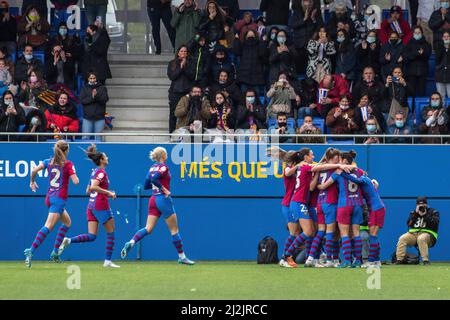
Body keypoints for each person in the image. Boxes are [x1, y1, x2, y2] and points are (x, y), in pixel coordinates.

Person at [121, 147, 195, 265]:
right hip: (162, 199)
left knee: (148, 228)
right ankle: (182, 257)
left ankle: (131, 242)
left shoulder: (152, 167)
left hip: (153, 199)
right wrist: (163, 188)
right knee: (174, 230)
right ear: (163, 156)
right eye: (166, 154)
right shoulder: (164, 167)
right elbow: (155, 179)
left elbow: (146, 185)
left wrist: (157, 186)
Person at [283, 148, 354, 268]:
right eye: (312, 155)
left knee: (311, 232)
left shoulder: (304, 166)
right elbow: (320, 168)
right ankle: (288, 254)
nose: (313, 157)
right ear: (305, 157)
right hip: (299, 202)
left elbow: (318, 166)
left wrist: (326, 161)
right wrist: (338, 165)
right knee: (308, 231)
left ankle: (310, 258)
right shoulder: (305, 167)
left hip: (300, 202)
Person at [58, 144, 120, 268]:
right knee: (111, 232)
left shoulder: (94, 172)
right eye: (105, 157)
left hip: (91, 206)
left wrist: (101, 191)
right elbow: (93, 187)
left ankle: (68, 240)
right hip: (101, 205)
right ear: (101, 160)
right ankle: (107, 261)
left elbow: (88, 190)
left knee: (92, 236)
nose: (107, 158)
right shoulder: (101, 173)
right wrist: (109, 193)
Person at [24, 140, 79, 268]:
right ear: (65, 151)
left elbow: (33, 171)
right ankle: (30, 251)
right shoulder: (68, 164)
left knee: (67, 222)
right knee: (48, 226)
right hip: (59, 199)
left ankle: (55, 253)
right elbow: (76, 181)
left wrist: (32, 182)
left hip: (49, 198)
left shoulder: (48, 161)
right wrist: (75, 176)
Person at [318, 150, 365, 268]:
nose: (339, 162)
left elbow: (324, 186)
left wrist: (318, 186)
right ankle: (358, 261)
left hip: (344, 205)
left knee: (344, 234)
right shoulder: (359, 171)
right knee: (356, 234)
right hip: (358, 204)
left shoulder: (339, 172)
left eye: (340, 160)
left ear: (344, 161)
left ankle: (347, 261)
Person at [339, 173, 385, 268]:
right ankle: (376, 260)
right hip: (377, 208)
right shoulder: (368, 183)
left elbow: (357, 180)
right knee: (373, 236)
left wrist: (343, 174)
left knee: (373, 235)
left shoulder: (364, 179)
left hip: (376, 209)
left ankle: (371, 261)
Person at [265, 147, 301, 268]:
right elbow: (288, 171)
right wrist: (298, 164)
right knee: (293, 232)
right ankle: (285, 257)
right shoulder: (288, 168)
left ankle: (285, 256)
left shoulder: (296, 167)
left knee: (296, 232)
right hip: (288, 204)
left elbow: (288, 156)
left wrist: (279, 150)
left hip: (295, 203)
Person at [315, 148, 342, 268]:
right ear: (332, 158)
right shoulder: (335, 168)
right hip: (330, 201)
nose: (339, 160)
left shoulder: (321, 167)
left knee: (327, 232)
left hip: (320, 202)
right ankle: (330, 259)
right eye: (337, 157)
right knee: (332, 232)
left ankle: (315, 258)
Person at [395, 197, 440, 265]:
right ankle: (399, 260)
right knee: (402, 238)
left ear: (426, 204)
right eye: (419, 205)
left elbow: (435, 224)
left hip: (428, 235)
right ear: (417, 205)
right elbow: (409, 224)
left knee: (421, 238)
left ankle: (425, 261)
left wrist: (425, 215)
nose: (421, 206)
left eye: (423, 205)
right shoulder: (413, 212)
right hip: (413, 234)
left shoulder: (433, 212)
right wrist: (415, 214)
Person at [290, 0, 323, 75]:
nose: (307, 4)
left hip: (311, 45)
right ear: (302, 3)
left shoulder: (316, 13)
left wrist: (313, 19)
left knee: (311, 70)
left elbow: (320, 27)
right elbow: (292, 24)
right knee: (299, 69)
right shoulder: (297, 12)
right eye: (305, 2)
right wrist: (304, 19)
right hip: (299, 45)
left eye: (309, 2)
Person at [232, 29, 267, 96]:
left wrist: (263, 42)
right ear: (245, 36)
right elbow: (236, 51)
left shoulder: (259, 44)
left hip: (256, 77)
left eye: (252, 35)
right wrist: (236, 39)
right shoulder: (242, 45)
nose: (250, 36)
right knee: (244, 98)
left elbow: (262, 53)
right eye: (249, 35)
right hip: (244, 76)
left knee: (256, 99)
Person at [168, 45, 194, 133]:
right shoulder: (172, 63)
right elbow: (172, 76)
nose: (183, 53)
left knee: (187, 113)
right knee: (173, 114)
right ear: (178, 53)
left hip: (186, 92)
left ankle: (186, 134)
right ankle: (172, 134)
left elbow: (192, 76)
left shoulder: (190, 63)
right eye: (181, 51)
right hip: (175, 92)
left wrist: (185, 66)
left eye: (185, 51)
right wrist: (180, 67)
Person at [80, 72, 109, 140]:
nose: (92, 80)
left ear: (96, 79)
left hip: (100, 118)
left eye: (94, 78)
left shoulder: (102, 88)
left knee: (98, 138)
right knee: (85, 138)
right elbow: (82, 101)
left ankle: (98, 151)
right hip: (87, 118)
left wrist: (96, 96)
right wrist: (92, 97)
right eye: (91, 78)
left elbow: (105, 99)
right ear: (88, 79)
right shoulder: (84, 88)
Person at [405, 26, 432, 97]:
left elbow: (427, 56)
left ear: (422, 33)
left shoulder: (426, 44)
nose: (417, 34)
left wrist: (422, 54)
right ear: (413, 33)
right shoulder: (409, 43)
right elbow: (408, 56)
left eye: (419, 32)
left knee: (422, 92)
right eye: (415, 32)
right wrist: (417, 53)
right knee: (411, 91)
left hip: (423, 71)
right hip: (411, 71)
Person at [434, 31, 450, 99]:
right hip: (440, 75)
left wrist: (448, 49)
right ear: (442, 38)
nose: (446, 38)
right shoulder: (439, 47)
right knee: (440, 97)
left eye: (448, 36)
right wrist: (444, 48)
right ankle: (442, 110)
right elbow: (437, 60)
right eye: (444, 36)